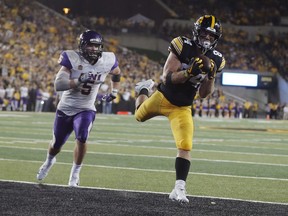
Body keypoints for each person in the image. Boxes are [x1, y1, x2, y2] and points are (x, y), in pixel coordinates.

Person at [134, 15, 225, 203]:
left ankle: (179, 188)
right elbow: (166, 77)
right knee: (138, 116)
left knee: (185, 145)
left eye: (211, 35)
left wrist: (211, 76)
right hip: (163, 97)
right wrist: (189, 72)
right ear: (196, 32)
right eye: (204, 33)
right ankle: (143, 88)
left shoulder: (217, 59)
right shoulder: (182, 45)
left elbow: (204, 94)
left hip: (182, 107)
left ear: (216, 38)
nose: (207, 38)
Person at [37, 30, 121, 187]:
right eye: (90, 45)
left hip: (86, 108)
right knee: (56, 144)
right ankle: (49, 161)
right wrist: (78, 80)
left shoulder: (108, 59)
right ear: (82, 46)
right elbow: (58, 85)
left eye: (97, 46)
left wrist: (114, 91)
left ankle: (75, 174)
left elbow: (116, 73)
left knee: (82, 137)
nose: (94, 50)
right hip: (66, 107)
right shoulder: (72, 58)